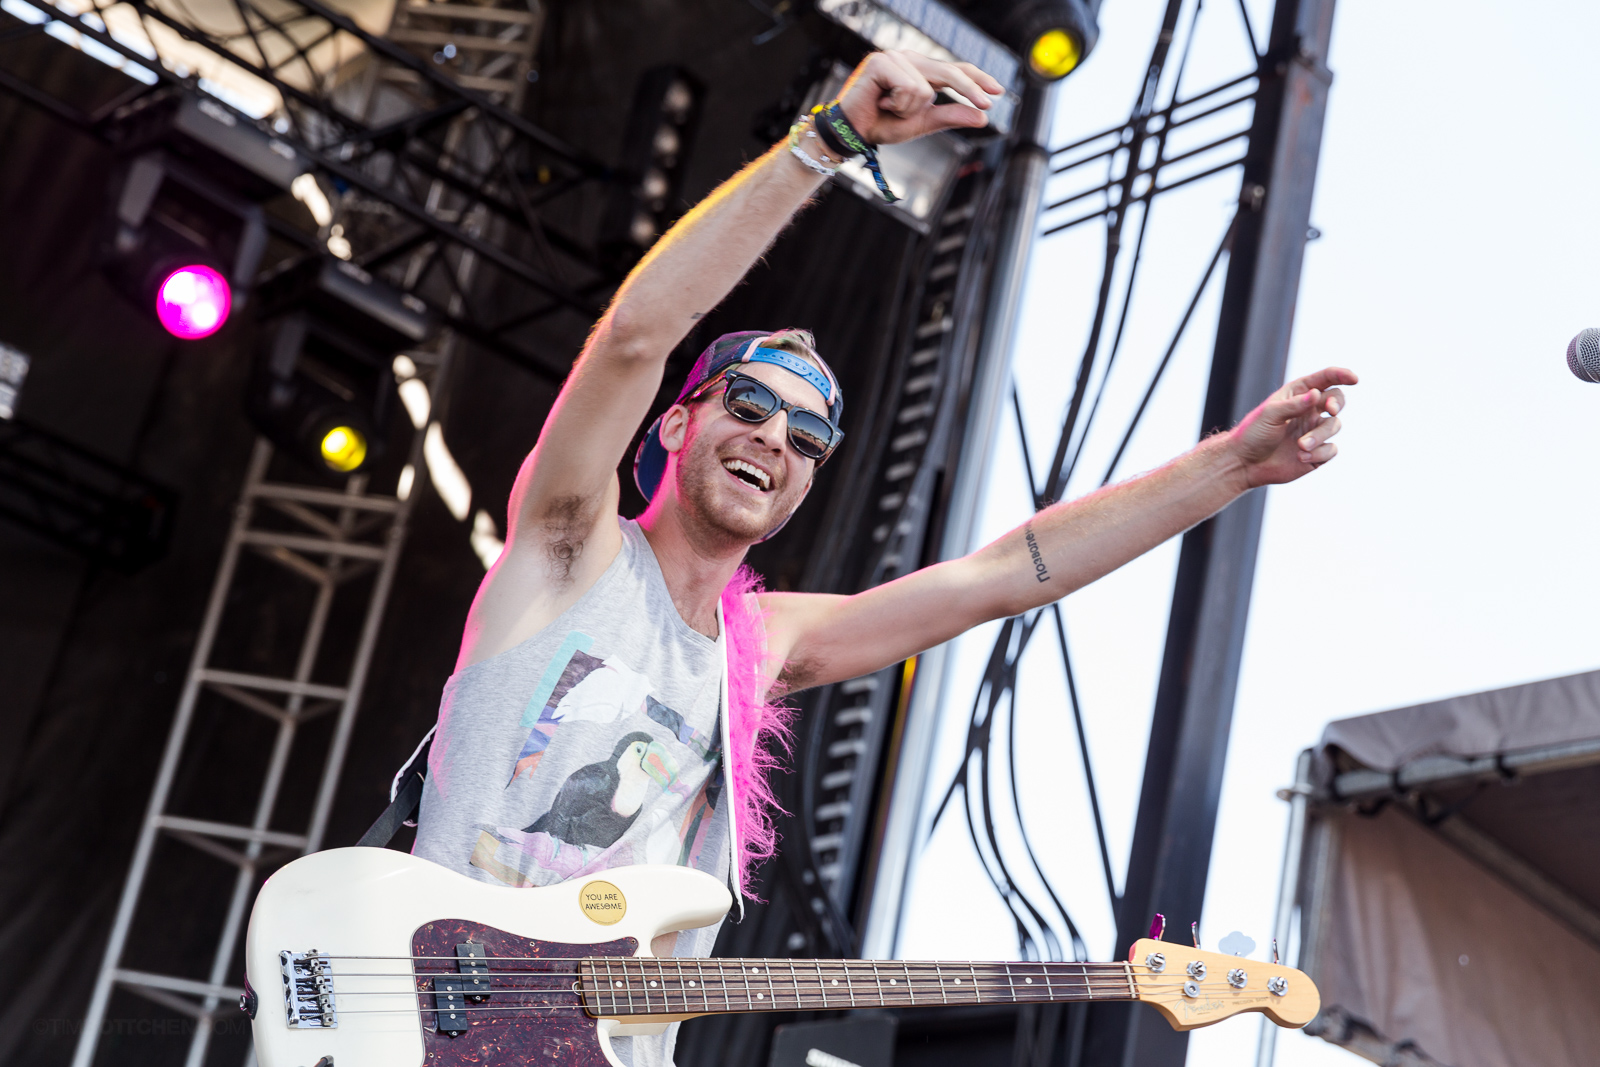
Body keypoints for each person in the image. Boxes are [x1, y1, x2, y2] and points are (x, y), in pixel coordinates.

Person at [410, 48, 1355, 1065]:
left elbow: (1000, 576)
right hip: (423, 1023)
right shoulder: (567, 548)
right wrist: (826, 144)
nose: (776, 437)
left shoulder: (764, 645)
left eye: (808, 439)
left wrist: (1225, 470)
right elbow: (636, 338)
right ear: (679, 422)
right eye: (751, 404)